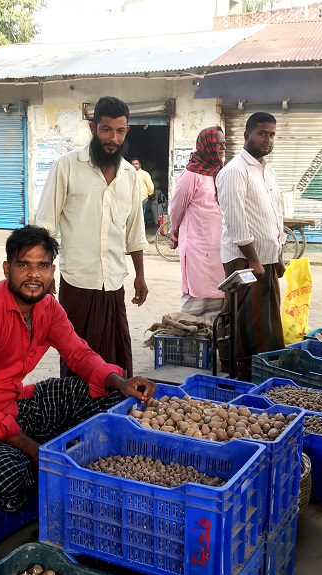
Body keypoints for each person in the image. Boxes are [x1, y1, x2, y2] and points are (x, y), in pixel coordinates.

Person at [0, 226, 156, 512]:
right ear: (7, 269)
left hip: (16, 402)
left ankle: (48, 463)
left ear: (52, 270)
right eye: (24, 265)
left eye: (42, 266)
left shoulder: (48, 307)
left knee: (114, 396)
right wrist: (30, 446)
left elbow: (79, 354)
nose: (34, 275)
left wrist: (121, 382)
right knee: (11, 476)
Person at [36, 96, 149, 379]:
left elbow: (134, 232)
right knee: (76, 362)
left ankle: (112, 413)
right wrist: (44, 274)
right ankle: (78, 417)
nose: (113, 138)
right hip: (77, 284)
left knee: (116, 357)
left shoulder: (130, 176)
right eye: (106, 129)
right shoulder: (66, 166)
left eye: (119, 131)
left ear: (127, 132)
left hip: (113, 285)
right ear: (93, 128)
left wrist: (140, 276)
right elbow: (46, 225)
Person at [215, 112, 286, 379]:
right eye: (262, 133)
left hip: (265, 259)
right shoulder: (234, 171)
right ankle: (239, 373)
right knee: (245, 321)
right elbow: (236, 221)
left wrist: (277, 254)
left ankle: (264, 371)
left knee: (266, 321)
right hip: (245, 260)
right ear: (247, 135)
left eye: (271, 135)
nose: (267, 140)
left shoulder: (266, 170)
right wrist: (254, 260)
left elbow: (276, 214)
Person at [169, 126, 226, 319]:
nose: (221, 149)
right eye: (217, 144)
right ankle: (189, 337)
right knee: (197, 292)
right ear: (206, 145)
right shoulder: (191, 175)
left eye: (223, 145)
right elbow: (176, 208)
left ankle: (211, 341)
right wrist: (174, 230)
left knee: (219, 295)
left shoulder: (220, 171)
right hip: (197, 245)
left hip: (220, 246)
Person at [131, 158, 156, 223]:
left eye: (136, 164)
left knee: (140, 216)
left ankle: (141, 230)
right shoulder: (129, 174)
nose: (134, 165)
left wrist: (149, 193)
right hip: (131, 198)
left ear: (140, 165)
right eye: (133, 164)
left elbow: (150, 186)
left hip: (142, 198)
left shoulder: (144, 174)